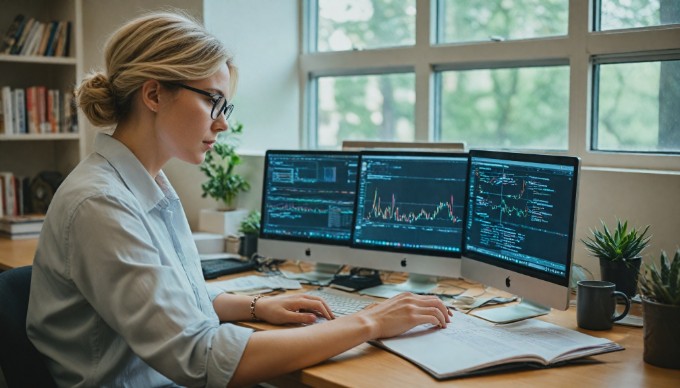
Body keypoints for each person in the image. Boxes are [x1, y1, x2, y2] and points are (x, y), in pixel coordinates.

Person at [26, 11, 451, 388]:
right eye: (214, 101)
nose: (222, 125)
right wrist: (370, 321)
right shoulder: (101, 203)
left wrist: (255, 305)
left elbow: (169, 298)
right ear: (153, 95)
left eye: (225, 108)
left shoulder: (146, 185)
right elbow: (199, 358)